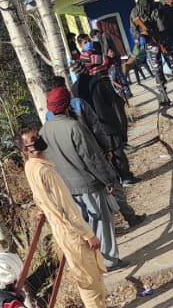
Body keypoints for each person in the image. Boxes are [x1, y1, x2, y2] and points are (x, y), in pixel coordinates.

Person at [20, 128, 107, 308]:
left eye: (37, 137)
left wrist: (43, 208)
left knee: (88, 274)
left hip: (61, 229)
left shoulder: (30, 167)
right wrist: (88, 234)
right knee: (89, 279)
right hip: (71, 231)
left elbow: (38, 196)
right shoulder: (45, 171)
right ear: (26, 149)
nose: (38, 141)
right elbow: (68, 208)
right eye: (33, 140)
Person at [46, 79, 144, 229]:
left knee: (89, 198)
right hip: (95, 152)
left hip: (72, 162)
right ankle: (130, 217)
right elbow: (97, 128)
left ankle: (106, 227)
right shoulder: (79, 103)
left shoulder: (49, 116)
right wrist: (107, 148)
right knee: (112, 185)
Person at [42, 87, 119, 269]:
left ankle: (92, 263)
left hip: (66, 188)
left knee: (83, 227)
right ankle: (109, 262)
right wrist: (109, 179)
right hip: (88, 184)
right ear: (67, 104)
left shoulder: (44, 131)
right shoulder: (74, 127)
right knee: (101, 223)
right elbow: (92, 158)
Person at [72, 54, 137, 186]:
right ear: (86, 68)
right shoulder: (97, 81)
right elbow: (113, 101)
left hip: (91, 125)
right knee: (117, 149)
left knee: (105, 153)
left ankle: (116, 179)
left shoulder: (75, 88)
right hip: (108, 120)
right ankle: (126, 176)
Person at [130, 0, 173, 109]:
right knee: (157, 71)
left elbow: (169, 20)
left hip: (164, 40)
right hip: (151, 44)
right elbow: (133, 29)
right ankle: (164, 97)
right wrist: (140, 36)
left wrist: (170, 34)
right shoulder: (135, 12)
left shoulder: (158, 6)